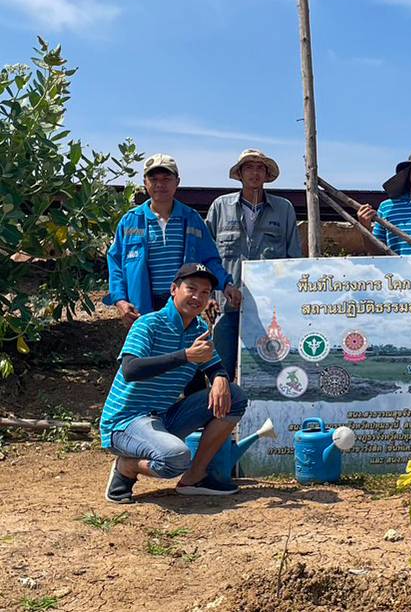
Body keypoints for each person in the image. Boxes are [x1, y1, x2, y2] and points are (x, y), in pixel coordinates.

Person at [101, 264, 249, 503]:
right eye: (191, 289)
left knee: (234, 396)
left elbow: (213, 365)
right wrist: (185, 356)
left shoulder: (199, 329)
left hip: (162, 416)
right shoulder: (148, 324)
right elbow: (131, 369)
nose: (197, 297)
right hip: (124, 423)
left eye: (205, 292)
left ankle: (194, 477)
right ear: (173, 289)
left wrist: (220, 377)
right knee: (176, 458)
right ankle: (126, 467)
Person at [105, 154, 238, 327]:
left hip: (183, 308)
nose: (160, 185)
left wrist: (226, 284)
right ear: (145, 183)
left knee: (183, 353)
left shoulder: (192, 219)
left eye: (167, 179)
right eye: (153, 179)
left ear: (177, 182)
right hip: (142, 309)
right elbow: (116, 264)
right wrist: (120, 300)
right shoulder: (130, 221)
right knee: (146, 353)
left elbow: (209, 259)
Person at [206, 149, 301, 376]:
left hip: (269, 309)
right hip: (226, 306)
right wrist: (209, 297)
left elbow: (293, 259)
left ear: (267, 174)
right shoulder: (220, 206)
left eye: (260, 168)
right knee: (222, 371)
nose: (255, 173)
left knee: (266, 375)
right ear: (239, 173)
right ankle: (224, 411)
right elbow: (207, 256)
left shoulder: (284, 209)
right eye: (249, 167)